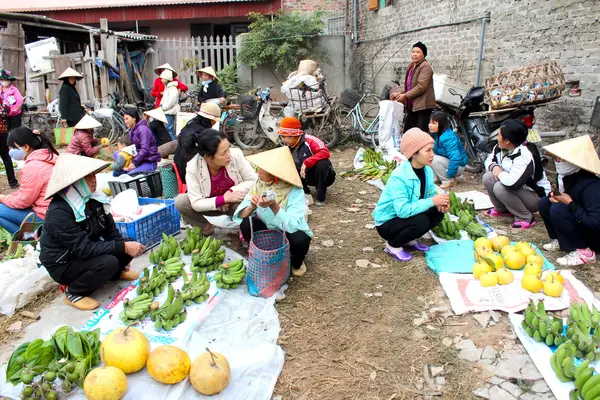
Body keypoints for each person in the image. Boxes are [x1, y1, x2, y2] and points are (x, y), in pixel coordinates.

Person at [40, 154, 145, 310]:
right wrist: (122, 248)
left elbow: (111, 231)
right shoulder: (60, 211)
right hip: (64, 263)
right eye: (87, 176)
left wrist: (125, 251)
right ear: (74, 182)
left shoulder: (94, 199)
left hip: (85, 252)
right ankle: (74, 293)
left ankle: (116, 273)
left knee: (126, 242)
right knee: (110, 261)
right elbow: (83, 249)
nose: (94, 179)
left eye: (93, 174)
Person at [234, 146, 312, 277]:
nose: (258, 172)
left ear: (275, 173)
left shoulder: (295, 191)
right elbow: (240, 214)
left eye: (261, 169)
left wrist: (274, 206)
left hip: (287, 232)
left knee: (301, 239)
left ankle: (296, 261)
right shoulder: (259, 185)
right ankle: (263, 253)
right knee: (246, 223)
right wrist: (251, 207)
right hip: (269, 231)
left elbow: (293, 225)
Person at [373, 128, 448, 262]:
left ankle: (409, 239)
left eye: (432, 149)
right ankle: (392, 245)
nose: (432, 154)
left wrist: (439, 204)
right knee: (421, 221)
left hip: (406, 216)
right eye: (428, 150)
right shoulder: (400, 177)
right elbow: (402, 211)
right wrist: (432, 201)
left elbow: (428, 197)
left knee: (437, 213)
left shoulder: (427, 172)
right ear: (414, 153)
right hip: (388, 222)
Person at [174, 129, 256, 235]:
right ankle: (205, 227)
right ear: (208, 157)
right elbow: (196, 203)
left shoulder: (236, 156)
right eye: (223, 153)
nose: (229, 154)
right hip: (212, 206)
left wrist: (231, 193)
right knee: (180, 201)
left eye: (228, 149)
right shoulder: (193, 168)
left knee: (249, 205)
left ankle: (245, 232)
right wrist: (222, 199)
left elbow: (253, 180)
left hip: (234, 203)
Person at [538, 135, 600, 266]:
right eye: (556, 158)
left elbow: (595, 223)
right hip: (581, 220)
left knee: (558, 209)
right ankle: (560, 240)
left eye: (562, 159)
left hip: (595, 234)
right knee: (545, 202)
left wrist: (569, 203)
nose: (558, 161)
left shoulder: (592, 186)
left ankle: (586, 252)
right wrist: (556, 196)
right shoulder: (567, 177)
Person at [483, 119, 550, 229]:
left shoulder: (525, 156)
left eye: (499, 135)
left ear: (507, 141)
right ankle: (502, 209)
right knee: (488, 177)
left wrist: (499, 173)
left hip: (535, 196)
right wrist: (494, 167)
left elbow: (513, 183)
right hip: (516, 189)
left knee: (500, 187)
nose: (497, 137)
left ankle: (525, 217)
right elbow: (489, 161)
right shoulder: (500, 148)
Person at [0, 127, 58, 234]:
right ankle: (27, 233)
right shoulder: (49, 155)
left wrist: (3, 198)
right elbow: (26, 192)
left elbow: (23, 202)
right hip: (57, 212)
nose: (10, 151)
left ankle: (28, 236)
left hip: (45, 215)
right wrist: (9, 197)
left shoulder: (33, 167)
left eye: (13, 148)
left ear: (26, 147)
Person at [277, 117, 336, 205]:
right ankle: (304, 191)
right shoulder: (287, 146)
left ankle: (321, 195)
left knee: (323, 163)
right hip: (305, 176)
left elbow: (325, 152)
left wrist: (307, 162)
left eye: (284, 137)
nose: (283, 140)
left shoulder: (310, 140)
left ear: (293, 135)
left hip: (323, 176)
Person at [390, 42, 436, 133]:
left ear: (424, 54)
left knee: (420, 134)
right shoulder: (411, 66)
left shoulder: (425, 67)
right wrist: (399, 93)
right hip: (412, 106)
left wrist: (405, 96)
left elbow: (421, 87)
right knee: (408, 132)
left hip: (423, 106)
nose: (414, 54)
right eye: (413, 51)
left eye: (418, 52)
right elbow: (408, 85)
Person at [174, 102, 222, 185]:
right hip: (188, 172)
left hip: (179, 166)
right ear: (210, 119)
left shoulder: (190, 124)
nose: (215, 122)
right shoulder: (202, 133)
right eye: (214, 120)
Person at [429, 111, 468, 190]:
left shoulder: (448, 137)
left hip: (458, 166)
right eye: (430, 122)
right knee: (428, 156)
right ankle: (436, 177)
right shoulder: (436, 135)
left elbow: (455, 158)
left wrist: (450, 174)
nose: (430, 125)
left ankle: (448, 180)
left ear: (441, 124)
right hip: (449, 163)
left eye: (434, 123)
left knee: (434, 159)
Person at [0, 69, 22, 188]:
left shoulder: (14, 90)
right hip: (3, 125)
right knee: (6, 156)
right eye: (2, 80)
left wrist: (11, 110)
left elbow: (19, 102)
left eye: (5, 80)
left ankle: (12, 181)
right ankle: (12, 181)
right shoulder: (0, 91)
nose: (4, 82)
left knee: (13, 135)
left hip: (12, 117)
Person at [123, 109, 161, 174]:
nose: (125, 121)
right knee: (116, 155)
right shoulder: (131, 132)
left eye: (127, 119)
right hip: (140, 160)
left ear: (134, 118)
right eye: (124, 119)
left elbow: (145, 150)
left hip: (149, 161)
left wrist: (133, 163)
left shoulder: (143, 130)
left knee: (130, 175)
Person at [158, 70, 181, 140]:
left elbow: (172, 101)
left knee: (169, 130)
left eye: (163, 78)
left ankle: (174, 144)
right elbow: (164, 99)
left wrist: (163, 107)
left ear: (167, 79)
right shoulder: (167, 88)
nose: (161, 80)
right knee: (167, 129)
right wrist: (161, 105)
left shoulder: (172, 89)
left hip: (169, 112)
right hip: (166, 111)